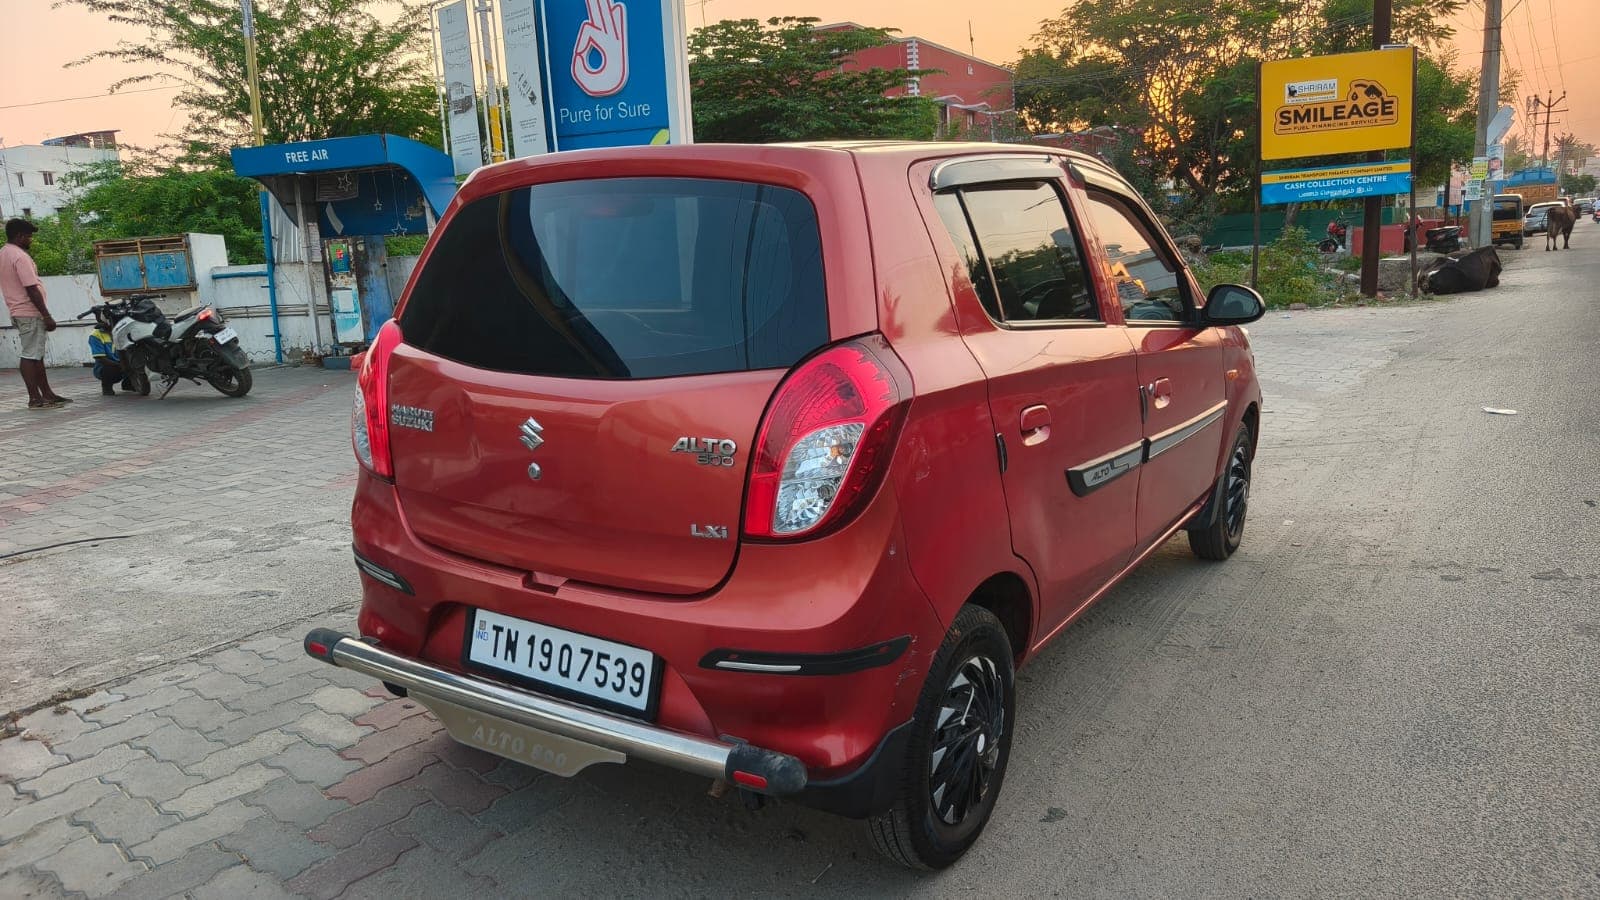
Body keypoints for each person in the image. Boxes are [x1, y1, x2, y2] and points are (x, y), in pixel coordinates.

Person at [2, 218, 70, 410]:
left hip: (18, 310)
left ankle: (47, 394)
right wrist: (46, 315)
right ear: (20, 236)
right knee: (30, 355)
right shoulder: (19, 256)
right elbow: (31, 288)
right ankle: (35, 399)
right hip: (29, 311)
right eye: (29, 237)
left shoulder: (4, 253)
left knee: (36, 354)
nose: (31, 240)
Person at [87, 312, 133, 396]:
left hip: (124, 361)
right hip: (107, 366)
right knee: (108, 369)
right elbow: (100, 358)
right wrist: (120, 365)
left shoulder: (123, 331)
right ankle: (106, 387)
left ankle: (128, 384)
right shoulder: (95, 335)